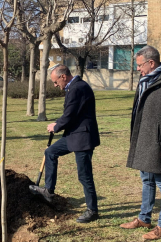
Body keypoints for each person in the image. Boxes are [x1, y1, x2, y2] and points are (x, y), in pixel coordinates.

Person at [119, 45, 161, 240]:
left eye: (139, 65)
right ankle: (144, 218)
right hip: (144, 140)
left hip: (159, 143)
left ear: (151, 63)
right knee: (146, 180)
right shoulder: (145, 79)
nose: (137, 69)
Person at [29, 64, 100, 223]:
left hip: (83, 138)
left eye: (55, 82)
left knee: (84, 175)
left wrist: (56, 125)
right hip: (74, 135)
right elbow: (70, 114)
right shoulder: (73, 87)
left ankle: (92, 210)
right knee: (50, 152)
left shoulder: (77, 88)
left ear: (63, 76)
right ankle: (48, 190)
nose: (55, 85)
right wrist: (59, 123)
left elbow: (70, 114)